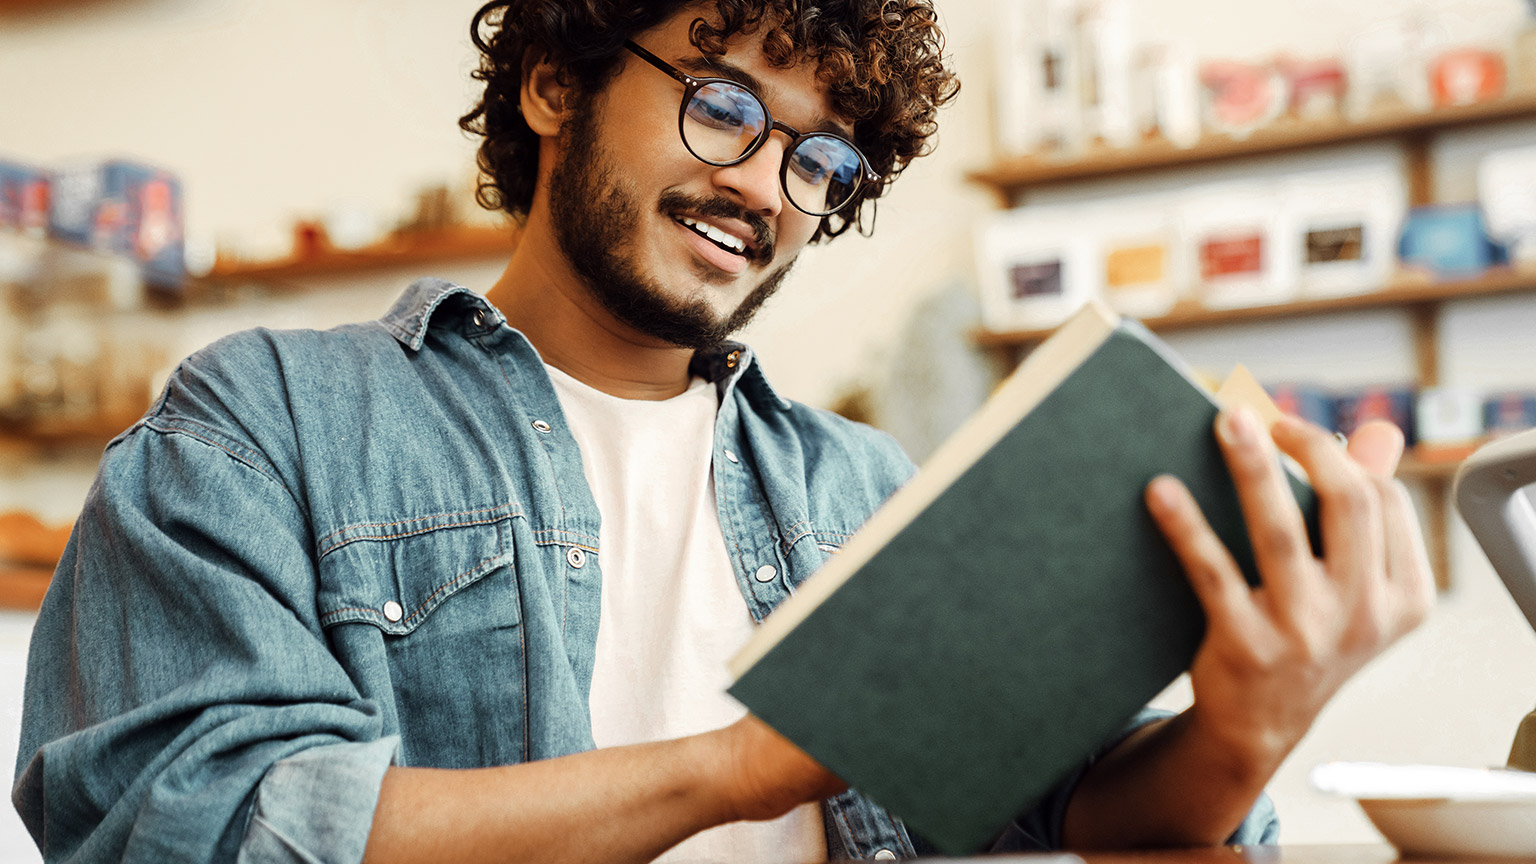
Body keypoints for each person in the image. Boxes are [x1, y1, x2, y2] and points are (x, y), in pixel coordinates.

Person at [13, 1, 1436, 862]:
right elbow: (193, 825)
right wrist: (748, 768)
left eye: (820, 159)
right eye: (725, 106)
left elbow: (1072, 818)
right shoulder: (263, 419)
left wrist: (1250, 727)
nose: (767, 185)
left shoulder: (864, 489)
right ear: (558, 84)